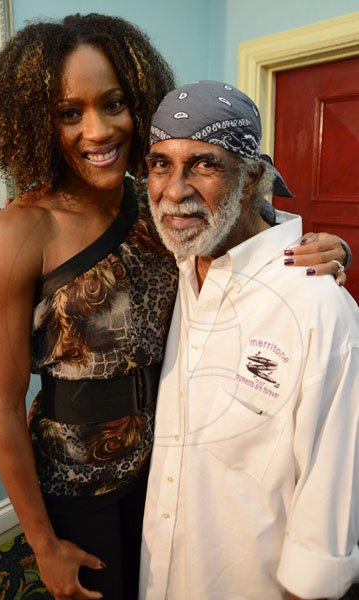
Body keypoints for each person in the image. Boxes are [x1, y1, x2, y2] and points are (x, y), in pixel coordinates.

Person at [0, 13, 350, 600]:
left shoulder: (156, 204)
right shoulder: (16, 234)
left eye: (113, 103)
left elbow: (243, 230)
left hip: (172, 467)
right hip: (78, 487)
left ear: (138, 105)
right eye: (70, 112)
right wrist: (41, 544)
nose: (96, 131)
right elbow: (0, 405)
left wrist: (333, 247)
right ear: (35, 120)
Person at [139, 80, 359, 600]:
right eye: (160, 163)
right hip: (162, 571)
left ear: (254, 175)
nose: (173, 189)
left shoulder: (318, 307)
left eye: (204, 164)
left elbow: (328, 511)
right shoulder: (182, 263)